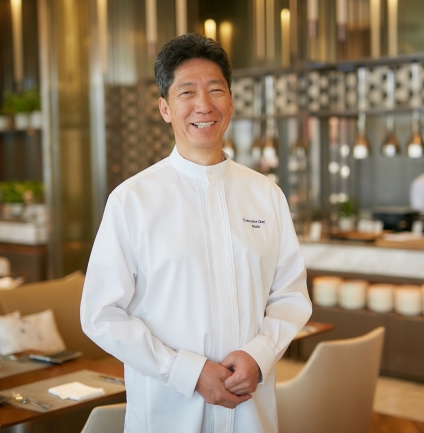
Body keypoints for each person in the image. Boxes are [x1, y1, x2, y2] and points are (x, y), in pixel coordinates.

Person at [80, 33, 312, 433]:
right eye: (187, 92)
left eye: (215, 90)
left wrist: (260, 355)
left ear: (231, 101)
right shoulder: (132, 201)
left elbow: (290, 295)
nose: (204, 105)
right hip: (168, 412)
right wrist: (186, 371)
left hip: (250, 414)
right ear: (165, 108)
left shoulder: (265, 195)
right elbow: (101, 315)